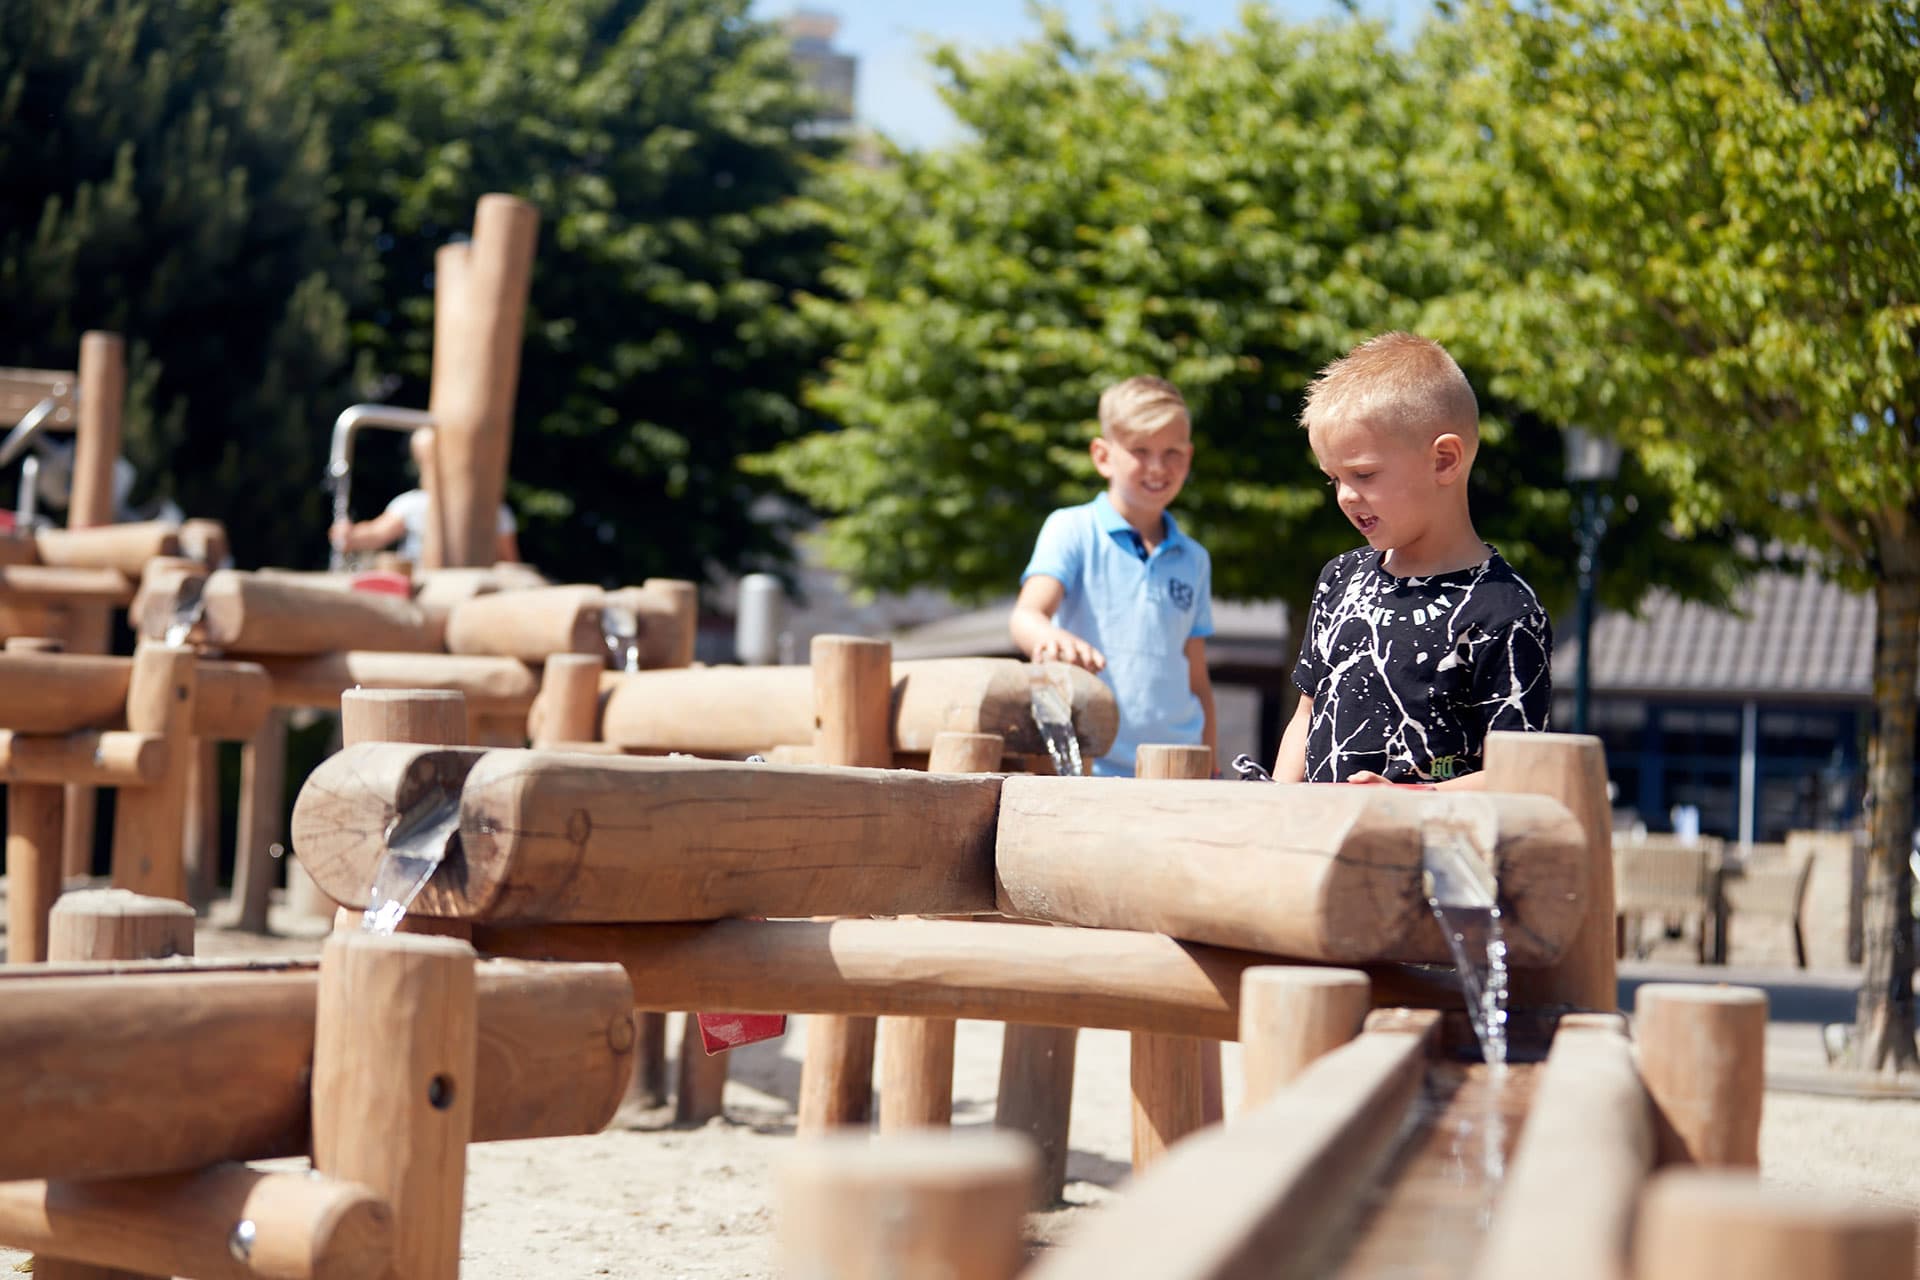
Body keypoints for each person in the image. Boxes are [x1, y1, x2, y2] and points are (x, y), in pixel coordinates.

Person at [1273, 332, 1552, 789]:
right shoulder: (1338, 579)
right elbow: (1306, 717)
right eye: (1333, 479)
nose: (1345, 496)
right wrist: (1276, 807)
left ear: (1444, 460)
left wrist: (1415, 797)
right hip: (1314, 847)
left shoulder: (1505, 611)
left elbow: (1518, 773)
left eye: (1363, 474)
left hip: (1429, 855)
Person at [1009, 375, 1216, 776]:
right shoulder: (1072, 529)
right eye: (1140, 450)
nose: (1158, 467)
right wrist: (1050, 637)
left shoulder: (1195, 558)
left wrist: (1211, 763)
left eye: (1171, 452)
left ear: (1188, 457)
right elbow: (1025, 616)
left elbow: (1197, 680)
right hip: (1090, 763)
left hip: (1176, 766)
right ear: (1103, 456)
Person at [329, 428, 520, 565]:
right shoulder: (412, 504)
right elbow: (375, 534)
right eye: (426, 462)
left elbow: (509, 561)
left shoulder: (493, 511)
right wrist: (350, 535)